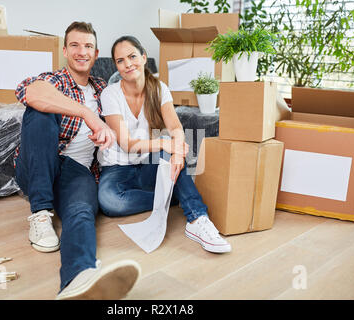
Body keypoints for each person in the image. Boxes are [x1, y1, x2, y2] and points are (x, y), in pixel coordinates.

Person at [14, 22, 140, 300]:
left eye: (88, 46)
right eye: (75, 45)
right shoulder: (54, 80)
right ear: (65, 51)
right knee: (39, 113)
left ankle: (78, 279)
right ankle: (40, 212)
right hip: (38, 162)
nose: (81, 52)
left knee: (82, 211)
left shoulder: (104, 89)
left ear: (96, 55)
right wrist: (87, 114)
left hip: (77, 171)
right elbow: (30, 92)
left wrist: (106, 136)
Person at [97, 36, 232, 254]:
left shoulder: (159, 89)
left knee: (171, 147)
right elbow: (126, 144)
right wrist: (165, 143)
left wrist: (177, 151)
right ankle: (173, 194)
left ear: (143, 57)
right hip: (117, 167)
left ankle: (197, 219)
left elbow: (176, 129)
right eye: (120, 60)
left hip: (148, 165)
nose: (128, 64)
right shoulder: (110, 94)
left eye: (132, 56)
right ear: (116, 66)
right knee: (110, 202)